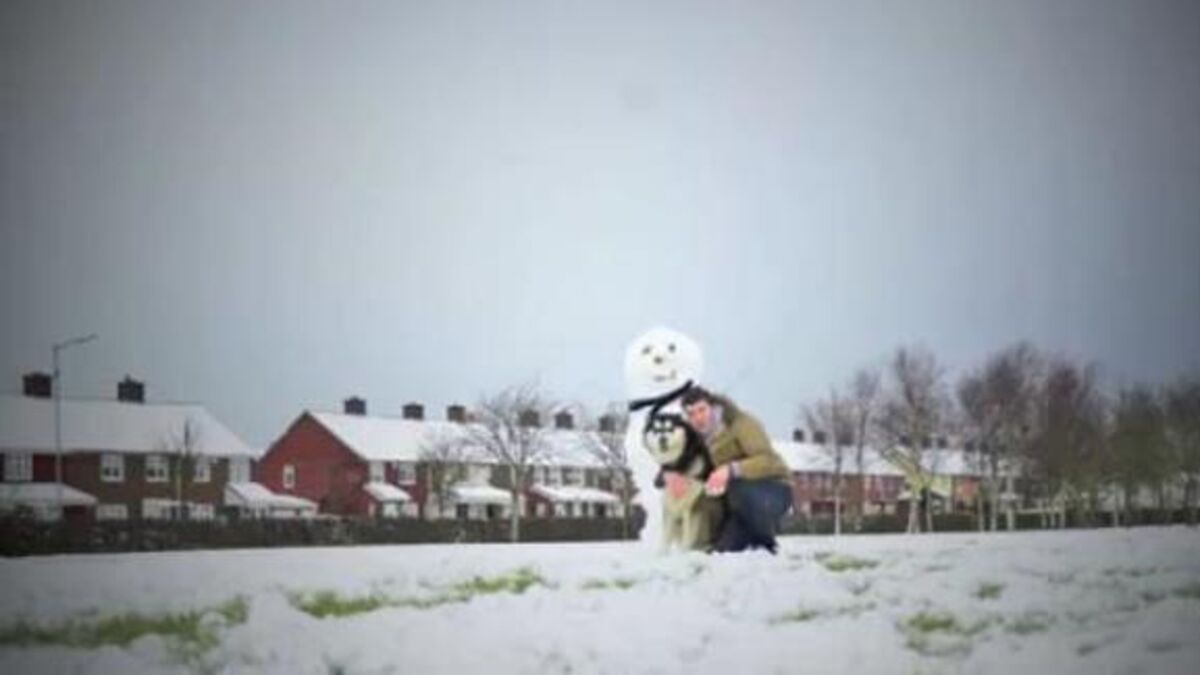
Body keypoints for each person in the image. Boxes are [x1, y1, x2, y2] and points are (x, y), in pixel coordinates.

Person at [665, 387, 793, 553]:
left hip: (772, 489)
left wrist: (731, 469)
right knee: (722, 550)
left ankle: (764, 541)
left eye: (701, 410)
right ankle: (715, 542)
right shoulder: (693, 439)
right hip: (732, 503)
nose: (698, 418)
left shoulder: (741, 423)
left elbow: (768, 460)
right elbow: (673, 460)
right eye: (691, 414)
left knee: (738, 486)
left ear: (713, 407)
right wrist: (669, 473)